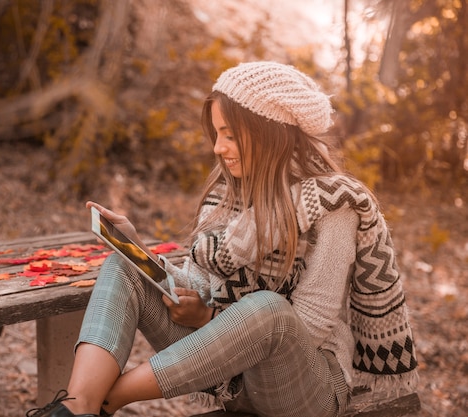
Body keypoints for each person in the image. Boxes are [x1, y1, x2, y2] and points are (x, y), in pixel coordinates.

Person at [26, 61, 419, 417]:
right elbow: (202, 285)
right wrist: (141, 252)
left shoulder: (336, 205)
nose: (218, 148)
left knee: (270, 310)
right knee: (123, 265)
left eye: (230, 135)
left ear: (271, 132)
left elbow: (309, 326)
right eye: (216, 134)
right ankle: (76, 408)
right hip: (233, 376)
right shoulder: (228, 192)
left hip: (303, 387)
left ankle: (108, 398)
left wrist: (211, 317)